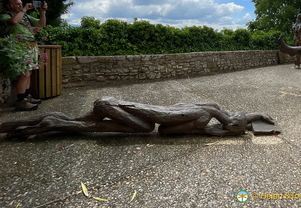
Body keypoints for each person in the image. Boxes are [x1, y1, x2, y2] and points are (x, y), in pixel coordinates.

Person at [0, 97, 275, 138]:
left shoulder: (209, 107)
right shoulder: (203, 118)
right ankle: (56, 124)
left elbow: (165, 131)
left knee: (141, 127)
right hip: (116, 105)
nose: (234, 126)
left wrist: (258, 114)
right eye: (237, 125)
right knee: (144, 128)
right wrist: (203, 131)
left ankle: (55, 123)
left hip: (119, 106)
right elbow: (165, 128)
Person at [0, 0, 48, 111]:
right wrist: (24, 10)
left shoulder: (25, 16)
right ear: (8, 5)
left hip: (30, 46)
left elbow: (41, 24)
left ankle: (26, 97)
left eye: (21, 4)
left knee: (29, 72)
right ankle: (21, 101)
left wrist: (42, 12)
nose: (20, 6)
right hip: (19, 46)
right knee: (24, 73)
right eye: (17, 4)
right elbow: (14, 22)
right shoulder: (6, 16)